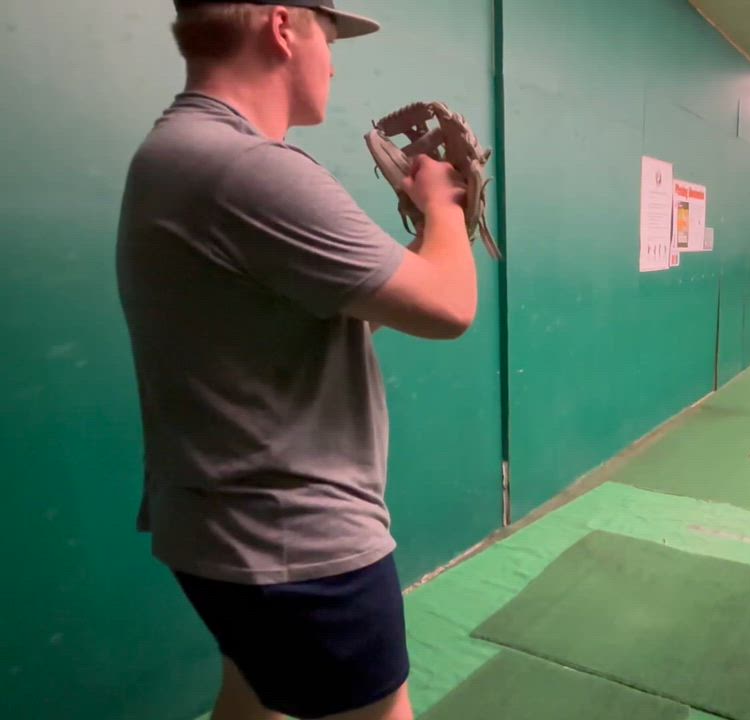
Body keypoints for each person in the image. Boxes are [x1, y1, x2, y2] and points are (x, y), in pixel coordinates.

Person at [115, 2, 478, 718]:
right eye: (329, 37)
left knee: (249, 703)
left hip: (220, 534)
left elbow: (326, 313)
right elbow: (449, 307)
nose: (333, 64)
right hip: (299, 542)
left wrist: (421, 248)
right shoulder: (250, 168)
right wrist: (444, 208)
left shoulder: (175, 152)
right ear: (283, 28)